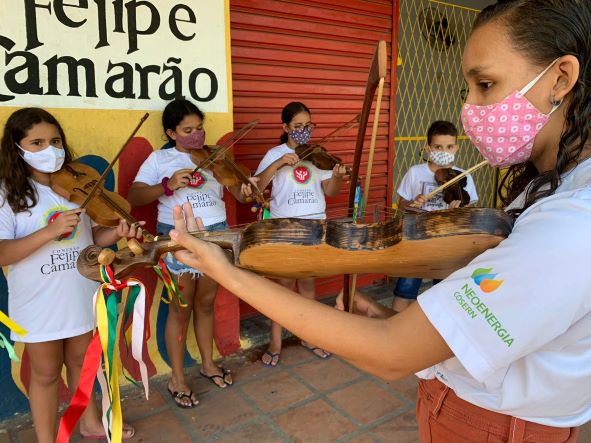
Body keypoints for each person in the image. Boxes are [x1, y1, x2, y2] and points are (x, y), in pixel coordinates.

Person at [167, 0, 590, 440]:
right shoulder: (552, 186)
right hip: (474, 408)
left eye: (485, 84)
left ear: (560, 78)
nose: (471, 108)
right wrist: (383, 315)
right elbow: (484, 333)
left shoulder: (574, 221)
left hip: (494, 425)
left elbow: (392, 354)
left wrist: (224, 270)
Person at [0, 108, 138, 442]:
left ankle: (90, 423)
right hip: (39, 301)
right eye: (37, 142)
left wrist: (118, 233)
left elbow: (91, 241)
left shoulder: (76, 187)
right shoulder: (8, 193)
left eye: (55, 140)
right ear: (16, 148)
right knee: (46, 375)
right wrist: (49, 231)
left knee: (82, 364)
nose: (50, 149)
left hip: (79, 291)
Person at [127, 98, 253, 408]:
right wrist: (167, 185)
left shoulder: (214, 157)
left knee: (207, 303)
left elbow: (237, 191)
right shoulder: (160, 159)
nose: (196, 135)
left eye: (199, 128)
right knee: (180, 309)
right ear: (171, 132)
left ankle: (208, 364)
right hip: (178, 237)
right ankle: (177, 378)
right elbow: (133, 194)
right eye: (187, 130)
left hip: (216, 233)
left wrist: (245, 187)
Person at [254, 101, 347, 367]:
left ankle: (309, 337)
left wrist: (338, 176)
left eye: (308, 125)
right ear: (285, 127)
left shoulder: (317, 154)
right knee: (284, 287)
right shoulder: (275, 153)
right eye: (297, 126)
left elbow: (330, 191)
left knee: (307, 285)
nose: (304, 131)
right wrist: (279, 164)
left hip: (316, 227)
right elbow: (258, 186)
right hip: (286, 227)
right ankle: (275, 341)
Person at [393, 120, 479, 312]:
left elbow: (470, 214)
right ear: (428, 148)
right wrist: (413, 203)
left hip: (447, 243)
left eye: (449, 146)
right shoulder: (415, 173)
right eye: (438, 147)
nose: (444, 150)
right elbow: (401, 206)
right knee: (404, 292)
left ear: (456, 148)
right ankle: (392, 328)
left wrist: (458, 210)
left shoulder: (463, 176)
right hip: (417, 241)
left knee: (445, 296)